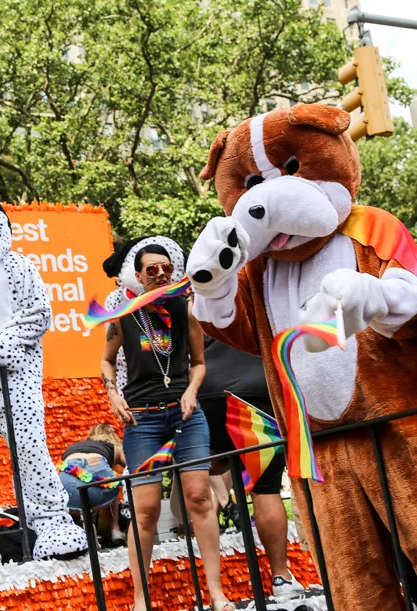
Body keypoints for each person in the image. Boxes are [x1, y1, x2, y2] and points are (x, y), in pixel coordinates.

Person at [101, 244, 232, 611]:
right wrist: (112, 394)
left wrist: (191, 391)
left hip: (185, 415)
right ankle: (140, 600)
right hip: (142, 419)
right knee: (145, 510)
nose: (160, 274)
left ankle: (217, 593)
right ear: (138, 276)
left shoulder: (184, 308)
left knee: (199, 498)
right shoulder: (124, 315)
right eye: (152, 270)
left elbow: (199, 362)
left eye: (166, 268)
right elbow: (107, 360)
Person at [197, 336, 305, 600]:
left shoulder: (199, 313)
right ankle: (281, 577)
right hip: (257, 390)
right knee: (265, 489)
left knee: (202, 471)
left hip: (207, 391)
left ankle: (214, 590)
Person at [58, 423, 127, 544]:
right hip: (97, 475)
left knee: (75, 500)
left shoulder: (74, 447)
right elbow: (132, 467)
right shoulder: (114, 447)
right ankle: (115, 529)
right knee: (110, 483)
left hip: (67, 484)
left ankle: (80, 532)